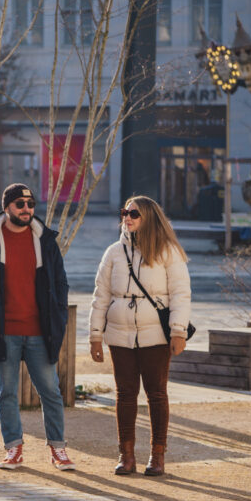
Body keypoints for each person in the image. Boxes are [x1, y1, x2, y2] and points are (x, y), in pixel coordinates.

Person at [0, 183, 74, 473]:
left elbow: (60, 283)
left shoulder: (45, 241)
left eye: (31, 204)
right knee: (6, 393)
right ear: (7, 207)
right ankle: (14, 448)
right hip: (4, 332)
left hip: (40, 331)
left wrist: (59, 315)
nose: (27, 209)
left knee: (51, 391)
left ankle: (58, 449)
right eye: (20, 204)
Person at [89, 196, 191, 476]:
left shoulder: (168, 251)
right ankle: (127, 455)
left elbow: (181, 294)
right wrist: (95, 336)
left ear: (148, 217)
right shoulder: (113, 252)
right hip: (119, 333)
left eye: (134, 213)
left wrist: (178, 331)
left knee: (156, 394)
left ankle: (157, 455)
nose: (127, 217)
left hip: (155, 334)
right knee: (125, 394)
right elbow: (101, 296)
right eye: (125, 212)